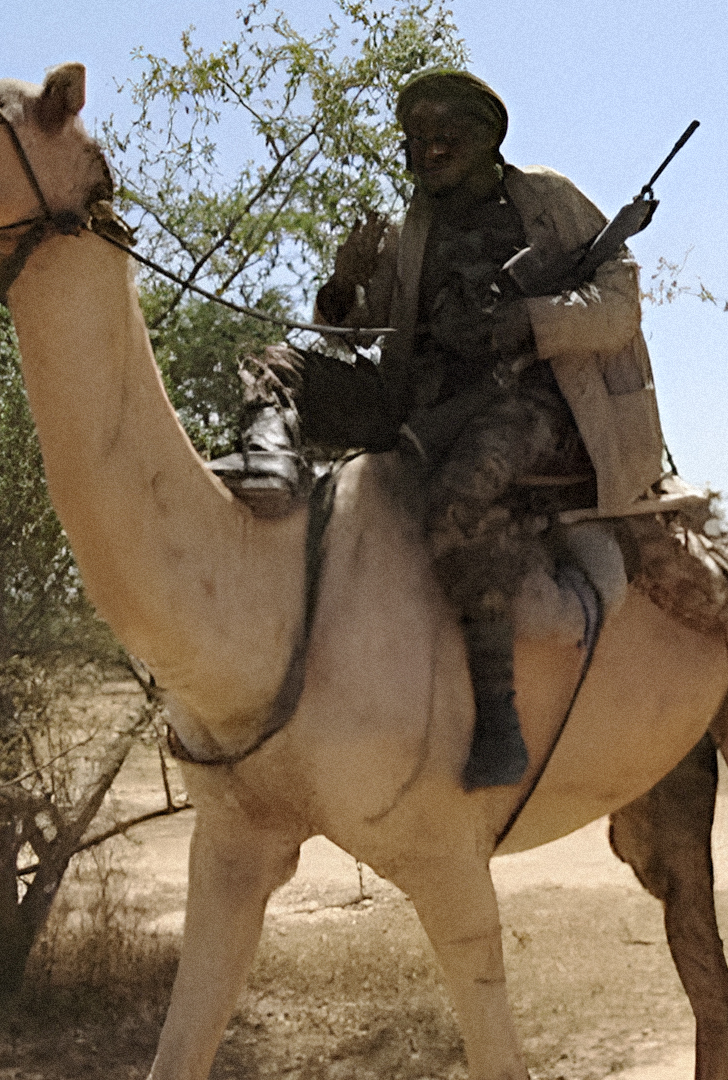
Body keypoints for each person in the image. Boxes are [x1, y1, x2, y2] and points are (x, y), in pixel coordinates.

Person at [209, 69, 670, 789]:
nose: (428, 148)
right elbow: (361, 326)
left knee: (456, 503)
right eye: (416, 137)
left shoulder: (544, 199)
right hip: (415, 398)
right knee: (271, 364)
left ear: (488, 137)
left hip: (532, 402)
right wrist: (342, 285)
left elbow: (619, 305)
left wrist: (527, 320)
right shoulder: (411, 228)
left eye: (444, 132)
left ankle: (498, 717)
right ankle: (272, 465)